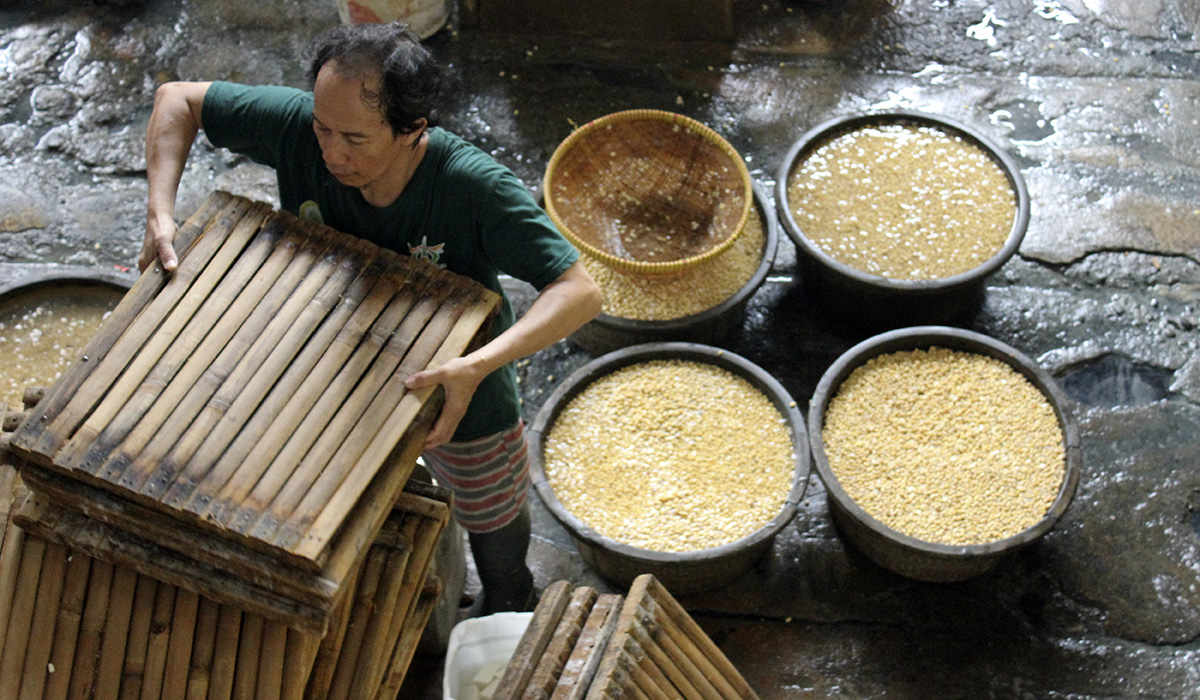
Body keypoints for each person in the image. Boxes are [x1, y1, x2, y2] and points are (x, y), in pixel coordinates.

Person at [140, 22, 602, 615]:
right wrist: (159, 214)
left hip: (455, 385)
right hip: (334, 360)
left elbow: (580, 290)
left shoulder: (470, 186)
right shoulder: (299, 128)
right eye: (322, 128)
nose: (331, 154)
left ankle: (509, 592)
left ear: (413, 129)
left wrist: (475, 366)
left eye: (354, 138)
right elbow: (176, 99)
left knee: (490, 503)